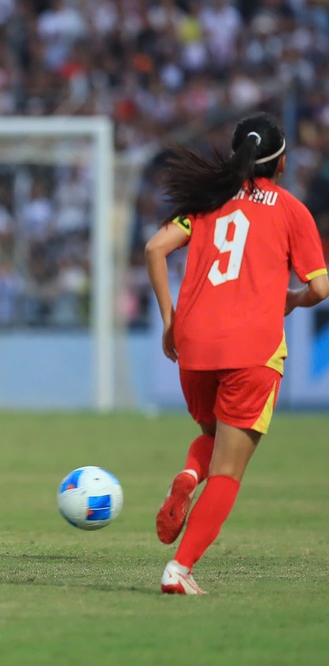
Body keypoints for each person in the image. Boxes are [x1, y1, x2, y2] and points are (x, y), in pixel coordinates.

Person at [145, 112, 329, 595]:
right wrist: (293, 299)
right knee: (229, 470)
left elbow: (154, 249)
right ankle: (179, 569)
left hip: (195, 345)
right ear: (283, 162)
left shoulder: (207, 201)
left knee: (211, 437)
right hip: (253, 350)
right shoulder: (291, 210)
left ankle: (188, 475)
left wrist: (169, 319)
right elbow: (321, 286)